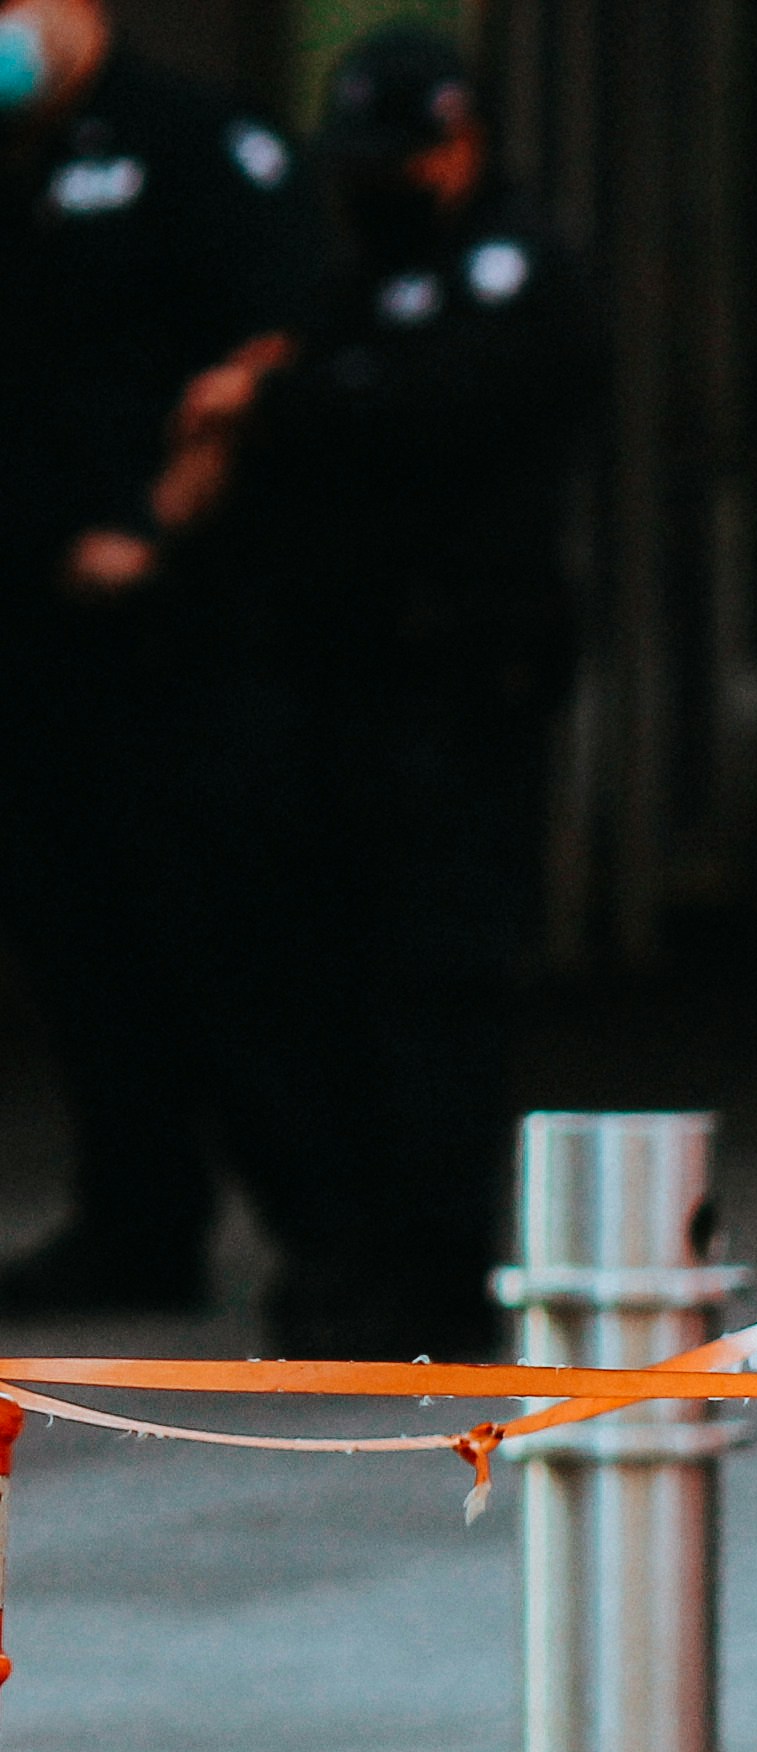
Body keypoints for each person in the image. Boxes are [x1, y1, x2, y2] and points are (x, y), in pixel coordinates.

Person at [173, 23, 598, 1360]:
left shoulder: (512, 270)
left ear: (458, 141)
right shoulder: (365, 273)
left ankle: (429, 1271)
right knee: (294, 980)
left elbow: (421, 419)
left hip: (461, 688)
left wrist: (278, 409)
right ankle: (340, 1249)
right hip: (338, 688)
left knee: (435, 992)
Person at [0, 0, 305, 1319]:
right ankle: (136, 1218)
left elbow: (272, 347)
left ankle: (328, 1229)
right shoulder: (16, 166)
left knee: (215, 938)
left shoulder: (194, 143)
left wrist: (159, 518)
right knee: (79, 942)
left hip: (176, 627)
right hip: (36, 623)